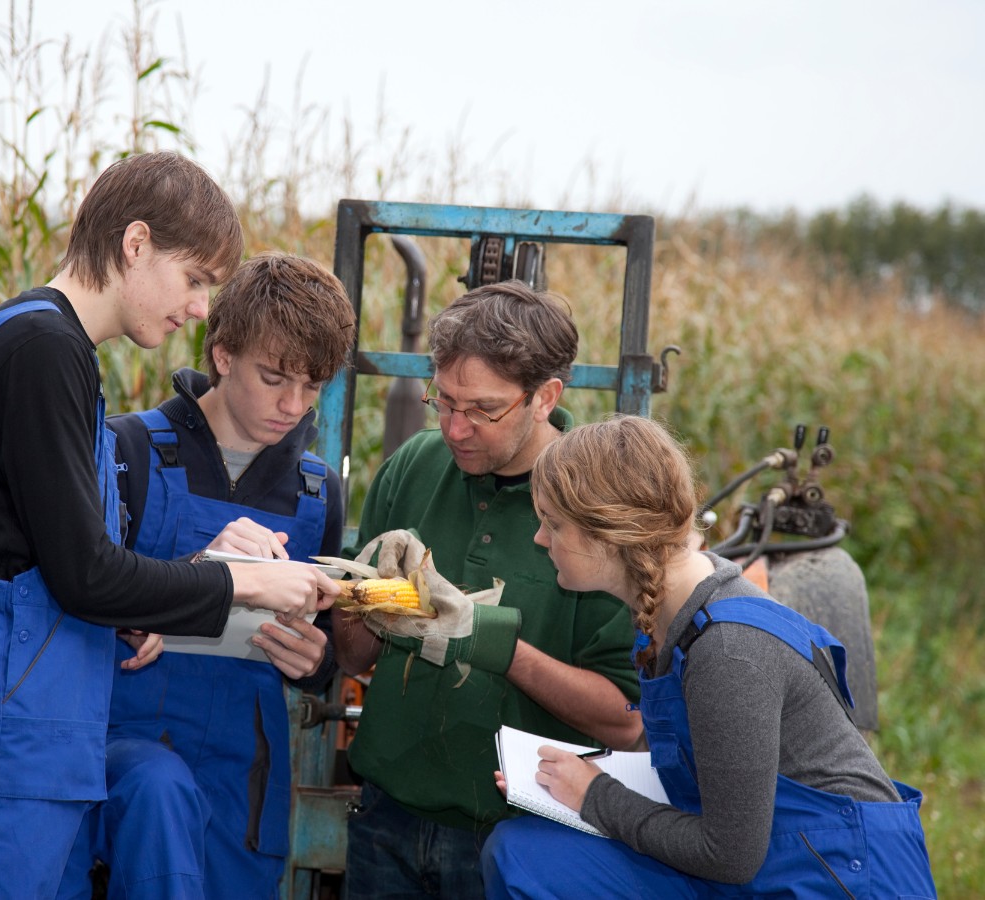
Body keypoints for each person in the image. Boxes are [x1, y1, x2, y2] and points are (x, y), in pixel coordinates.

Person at [0, 152, 342, 899]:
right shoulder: (42, 351)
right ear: (135, 245)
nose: (199, 307)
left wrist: (126, 616)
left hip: (28, 742)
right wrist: (240, 580)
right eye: (194, 278)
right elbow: (85, 574)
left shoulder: (52, 350)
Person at [482, 415, 937, 899]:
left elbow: (730, 856)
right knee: (523, 854)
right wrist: (569, 786)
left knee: (529, 860)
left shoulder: (729, 652)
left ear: (610, 533)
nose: (540, 538)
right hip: (769, 855)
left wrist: (595, 796)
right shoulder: (672, 611)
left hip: (834, 873)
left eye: (553, 523)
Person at [333, 280, 644, 900]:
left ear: (545, 397)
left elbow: (626, 722)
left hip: (520, 841)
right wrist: (364, 596)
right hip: (387, 816)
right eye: (443, 401)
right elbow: (350, 658)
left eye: (482, 409)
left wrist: (494, 645)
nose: (454, 428)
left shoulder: (602, 510)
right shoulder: (412, 467)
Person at [59, 252, 356, 899]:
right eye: (275, 378)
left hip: (242, 777)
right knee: (157, 794)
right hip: (120, 752)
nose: (294, 405)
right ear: (222, 355)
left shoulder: (318, 493)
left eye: (312, 387)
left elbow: (328, 642)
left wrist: (316, 660)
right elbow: (74, 594)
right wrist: (184, 582)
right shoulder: (127, 450)